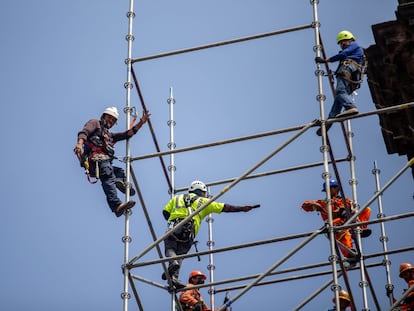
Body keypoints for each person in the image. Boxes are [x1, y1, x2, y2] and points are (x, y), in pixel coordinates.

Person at [162, 180, 257, 282]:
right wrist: (242, 209)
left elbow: (165, 212)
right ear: (201, 191)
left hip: (174, 226)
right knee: (180, 255)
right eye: (204, 192)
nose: (205, 194)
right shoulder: (205, 202)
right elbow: (225, 207)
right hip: (190, 231)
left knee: (170, 249)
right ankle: (174, 278)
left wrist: (176, 217)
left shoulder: (177, 198)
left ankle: (173, 264)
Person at [74, 107, 150, 217]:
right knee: (108, 177)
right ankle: (116, 206)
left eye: (113, 121)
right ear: (103, 116)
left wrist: (141, 123)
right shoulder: (95, 123)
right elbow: (84, 132)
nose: (111, 122)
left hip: (103, 163)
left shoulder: (109, 136)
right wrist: (79, 144)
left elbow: (126, 134)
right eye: (109, 118)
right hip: (96, 160)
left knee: (119, 171)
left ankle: (121, 183)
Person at [301, 179, 371, 262]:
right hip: (335, 224)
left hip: (348, 221)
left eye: (330, 188)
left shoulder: (345, 200)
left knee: (366, 210)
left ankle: (359, 230)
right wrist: (314, 205)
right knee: (344, 232)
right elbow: (305, 205)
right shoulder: (323, 202)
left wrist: (352, 211)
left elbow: (355, 208)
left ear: (336, 188)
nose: (328, 191)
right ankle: (349, 254)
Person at [315, 30, 364, 136]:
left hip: (348, 68)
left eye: (343, 41)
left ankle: (351, 107)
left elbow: (343, 54)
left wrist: (325, 60)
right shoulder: (352, 51)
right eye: (340, 43)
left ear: (350, 39)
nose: (342, 44)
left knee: (340, 91)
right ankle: (329, 122)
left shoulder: (355, 45)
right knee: (338, 99)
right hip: (349, 73)